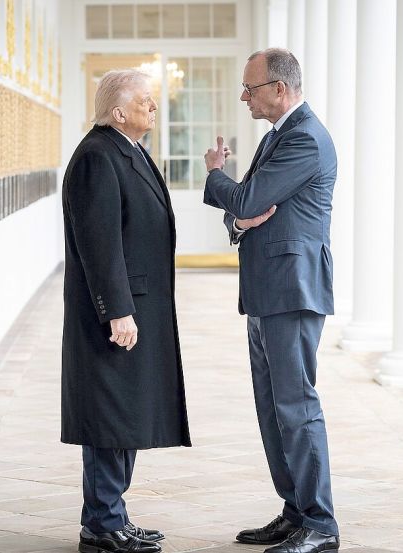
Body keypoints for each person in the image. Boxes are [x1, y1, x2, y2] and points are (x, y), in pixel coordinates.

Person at [202, 48, 340, 553]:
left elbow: (244, 198)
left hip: (292, 290)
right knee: (272, 409)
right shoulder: (276, 135)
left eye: (250, 87)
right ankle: (295, 510)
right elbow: (243, 211)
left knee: (296, 407)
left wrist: (215, 174)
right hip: (266, 291)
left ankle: (320, 525)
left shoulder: (305, 138)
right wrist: (239, 217)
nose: (244, 97)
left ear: (279, 88)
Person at [61, 69, 191, 553]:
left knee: (125, 413)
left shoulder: (126, 149)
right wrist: (117, 311)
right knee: (109, 416)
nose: (154, 107)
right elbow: (100, 244)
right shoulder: (97, 156)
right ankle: (101, 525)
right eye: (145, 100)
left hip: (137, 307)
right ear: (118, 112)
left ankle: (113, 516)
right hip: (115, 315)